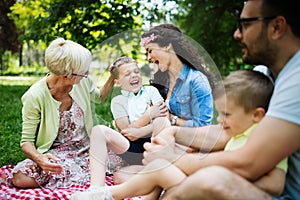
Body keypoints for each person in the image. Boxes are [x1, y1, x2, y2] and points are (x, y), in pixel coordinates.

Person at [143, 0, 300, 199]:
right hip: (252, 183)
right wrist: (174, 133)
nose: (237, 34)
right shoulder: (263, 74)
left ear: (276, 27)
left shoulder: (297, 79)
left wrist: (171, 158)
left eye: (245, 24)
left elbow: (248, 163)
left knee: (210, 180)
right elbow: (230, 131)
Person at [71, 69, 288, 200]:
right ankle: (109, 194)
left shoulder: (263, 136)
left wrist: (222, 171)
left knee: (160, 169)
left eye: (227, 114)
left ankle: (109, 195)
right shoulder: (238, 131)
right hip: (206, 184)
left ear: (257, 115)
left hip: (224, 190)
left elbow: (276, 184)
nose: (221, 120)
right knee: (157, 168)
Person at [7, 37, 115, 189]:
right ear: (67, 76)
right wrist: (41, 159)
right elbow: (26, 142)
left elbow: (99, 97)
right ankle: (89, 171)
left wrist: (112, 76)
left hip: (89, 146)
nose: (87, 73)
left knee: (127, 155)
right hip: (58, 154)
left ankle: (84, 171)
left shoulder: (83, 82)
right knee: (20, 178)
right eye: (84, 71)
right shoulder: (34, 96)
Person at [83, 56, 170, 191]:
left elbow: (165, 119)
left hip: (156, 147)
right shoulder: (118, 101)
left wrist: (140, 131)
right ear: (117, 82)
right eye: (127, 74)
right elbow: (128, 133)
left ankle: (157, 170)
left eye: (136, 71)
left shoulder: (151, 91)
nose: (134, 76)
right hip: (133, 149)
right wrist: (149, 115)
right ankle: (96, 189)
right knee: (99, 131)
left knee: (161, 120)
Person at [142, 23, 215, 127]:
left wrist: (172, 119)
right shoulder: (161, 80)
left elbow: (203, 126)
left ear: (167, 45)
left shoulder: (197, 80)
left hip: (183, 142)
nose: (148, 58)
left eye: (150, 50)